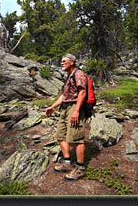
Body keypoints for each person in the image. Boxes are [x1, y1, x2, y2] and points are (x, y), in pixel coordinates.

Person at [45, 53, 88, 181]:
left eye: (64, 61)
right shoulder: (69, 76)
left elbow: (82, 92)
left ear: (72, 62)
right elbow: (64, 96)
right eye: (61, 61)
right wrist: (52, 107)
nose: (62, 63)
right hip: (65, 108)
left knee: (77, 138)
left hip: (75, 107)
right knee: (60, 135)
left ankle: (80, 169)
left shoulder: (78, 73)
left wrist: (76, 111)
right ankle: (68, 163)